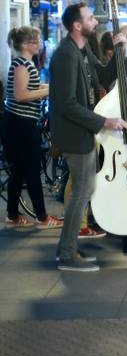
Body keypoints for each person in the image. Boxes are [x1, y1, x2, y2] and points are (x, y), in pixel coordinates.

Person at [50, 3, 127, 272]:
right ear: (77, 25)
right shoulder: (66, 55)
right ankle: (68, 256)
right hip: (74, 135)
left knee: (86, 191)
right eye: (90, 18)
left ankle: (68, 247)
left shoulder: (82, 50)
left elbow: (105, 77)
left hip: (82, 132)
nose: (95, 22)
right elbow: (66, 104)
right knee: (81, 193)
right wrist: (104, 122)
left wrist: (120, 50)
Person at [2, 27, 62, 229]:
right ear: (27, 44)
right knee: (32, 169)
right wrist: (47, 92)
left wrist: (48, 87)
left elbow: (28, 89)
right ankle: (42, 217)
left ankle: (12, 215)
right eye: (37, 41)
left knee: (19, 170)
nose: (40, 44)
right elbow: (20, 95)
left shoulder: (24, 63)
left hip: (18, 123)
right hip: (21, 124)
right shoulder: (22, 65)